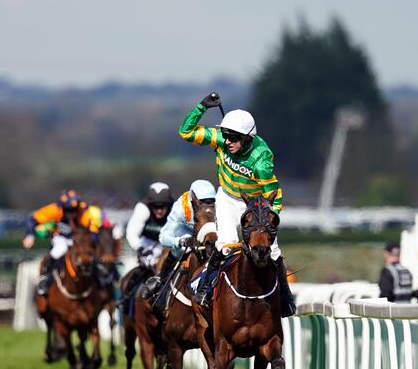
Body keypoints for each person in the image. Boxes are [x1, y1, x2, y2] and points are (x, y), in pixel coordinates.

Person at [178, 92, 295, 317]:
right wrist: (202, 107)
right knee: (225, 246)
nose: (228, 141)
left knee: (272, 251)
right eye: (226, 135)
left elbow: (275, 195)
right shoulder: (221, 139)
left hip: (257, 205)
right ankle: (204, 290)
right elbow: (186, 132)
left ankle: (285, 297)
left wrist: (269, 220)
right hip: (228, 199)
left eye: (233, 137)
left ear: (248, 138)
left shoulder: (261, 159)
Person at [143, 179, 217, 302]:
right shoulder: (181, 207)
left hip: (210, 230)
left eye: (210, 203)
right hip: (187, 230)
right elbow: (163, 237)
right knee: (178, 250)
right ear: (193, 201)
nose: (207, 207)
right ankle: (160, 279)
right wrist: (180, 241)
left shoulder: (219, 203)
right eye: (203, 203)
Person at [22, 189, 100, 296]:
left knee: (93, 254)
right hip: (61, 238)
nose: (71, 213)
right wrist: (29, 235)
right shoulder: (54, 209)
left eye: (73, 210)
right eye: (68, 210)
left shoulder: (83, 210)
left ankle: (101, 280)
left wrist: (93, 240)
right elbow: (33, 219)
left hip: (80, 239)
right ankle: (45, 278)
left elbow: (93, 229)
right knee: (58, 251)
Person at [122, 182, 174, 302]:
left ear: (169, 204)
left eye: (163, 206)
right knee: (138, 275)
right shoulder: (142, 208)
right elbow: (132, 233)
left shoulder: (174, 208)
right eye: (156, 206)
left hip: (166, 246)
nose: (159, 210)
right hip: (146, 245)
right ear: (150, 205)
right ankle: (127, 300)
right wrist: (139, 248)